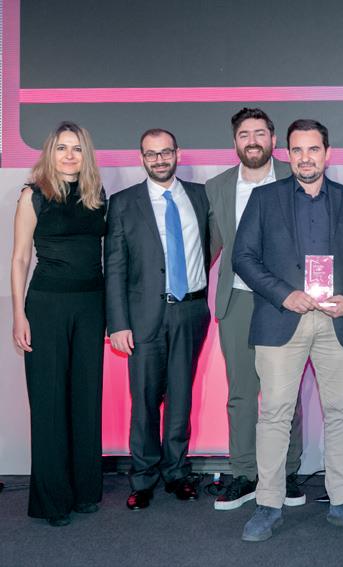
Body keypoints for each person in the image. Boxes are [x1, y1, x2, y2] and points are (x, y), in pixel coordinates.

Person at [234, 119, 343, 541]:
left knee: (342, 412)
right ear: (287, 154)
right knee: (275, 414)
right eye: (297, 150)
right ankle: (268, 504)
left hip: (337, 320)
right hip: (282, 318)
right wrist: (284, 295)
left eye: (313, 149)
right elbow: (243, 257)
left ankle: (342, 501)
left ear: (327, 154)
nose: (305, 158)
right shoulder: (265, 198)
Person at [105, 128, 212, 511]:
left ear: (177, 154)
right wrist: (118, 323)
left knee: (181, 397)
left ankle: (177, 472)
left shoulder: (200, 196)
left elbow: (211, 244)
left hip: (190, 311)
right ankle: (143, 477)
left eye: (166, 152)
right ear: (142, 158)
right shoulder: (123, 202)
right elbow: (115, 266)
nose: (159, 159)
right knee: (145, 401)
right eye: (151, 154)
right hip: (142, 316)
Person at [206, 108, 305, 510]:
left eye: (260, 133)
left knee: (285, 393)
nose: (252, 140)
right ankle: (245, 473)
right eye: (244, 134)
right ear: (235, 142)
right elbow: (208, 247)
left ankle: (288, 471)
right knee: (242, 394)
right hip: (238, 300)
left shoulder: (295, 177)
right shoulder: (216, 188)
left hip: (285, 301)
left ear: (273, 140)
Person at [11, 121, 106, 526]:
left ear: (86, 155)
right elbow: (19, 259)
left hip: (91, 306)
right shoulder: (33, 195)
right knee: (49, 402)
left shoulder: (97, 195)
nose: (69, 155)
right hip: (47, 306)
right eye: (62, 148)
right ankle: (52, 501)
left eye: (77, 148)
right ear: (50, 153)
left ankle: (85, 491)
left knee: (86, 398)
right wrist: (18, 314)